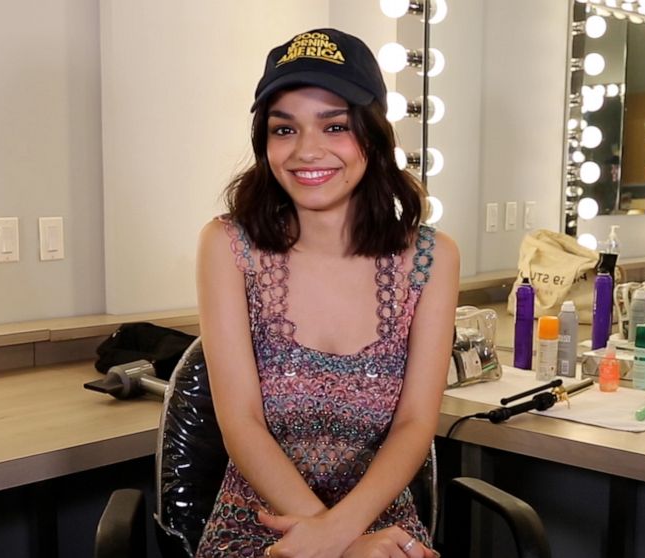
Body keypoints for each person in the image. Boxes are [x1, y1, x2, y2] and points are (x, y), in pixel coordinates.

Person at [195, 28, 459, 558]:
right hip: (259, 527)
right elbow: (240, 422)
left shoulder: (431, 258)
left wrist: (343, 536)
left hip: (382, 524)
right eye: (284, 129)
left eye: (334, 125)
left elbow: (414, 424)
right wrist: (337, 543)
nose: (306, 151)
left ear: (373, 135)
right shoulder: (227, 246)